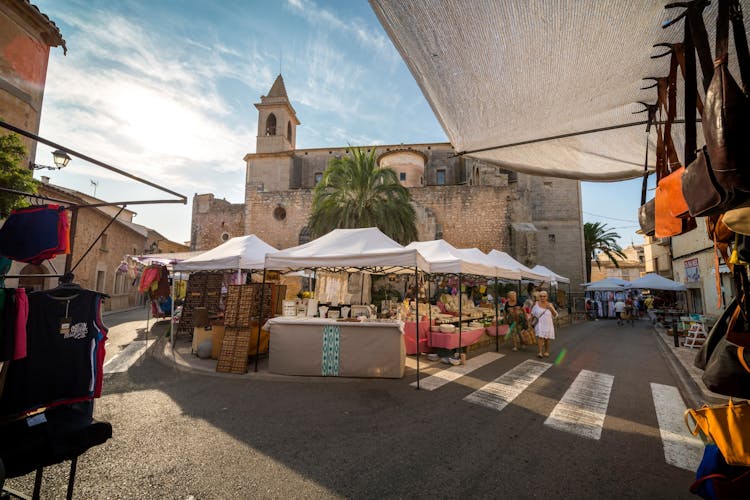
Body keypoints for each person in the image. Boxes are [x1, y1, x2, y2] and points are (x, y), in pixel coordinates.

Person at [532, 291, 558, 358]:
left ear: (547, 297)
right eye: (541, 296)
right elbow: (533, 313)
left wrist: (551, 308)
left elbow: (555, 315)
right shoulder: (536, 304)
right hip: (539, 324)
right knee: (540, 337)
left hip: (548, 324)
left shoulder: (550, 304)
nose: (542, 297)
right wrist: (530, 321)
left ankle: (546, 351)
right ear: (539, 297)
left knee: (547, 339)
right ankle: (540, 352)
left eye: (544, 296)